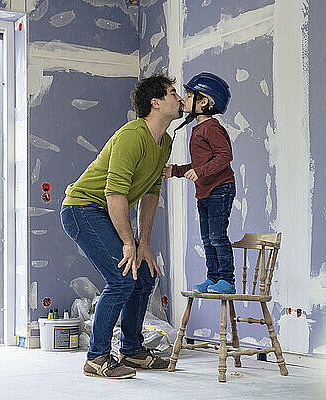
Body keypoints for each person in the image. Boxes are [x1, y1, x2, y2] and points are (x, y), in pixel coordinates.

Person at [61, 73, 183, 379]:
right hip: (82, 208)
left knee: (143, 277)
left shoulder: (164, 142)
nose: (179, 98)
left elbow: (151, 195)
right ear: (156, 103)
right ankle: (97, 357)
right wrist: (129, 243)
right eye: (172, 93)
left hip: (104, 211)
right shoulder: (133, 136)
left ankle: (132, 352)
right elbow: (114, 193)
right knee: (121, 278)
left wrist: (143, 244)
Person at [162, 72, 236, 294]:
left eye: (189, 94)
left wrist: (200, 172)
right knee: (207, 238)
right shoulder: (198, 128)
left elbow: (225, 156)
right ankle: (213, 278)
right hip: (205, 192)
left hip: (219, 189)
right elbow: (198, 164)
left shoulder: (212, 127)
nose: (183, 98)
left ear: (204, 102)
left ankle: (227, 280)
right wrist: (174, 171)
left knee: (217, 236)